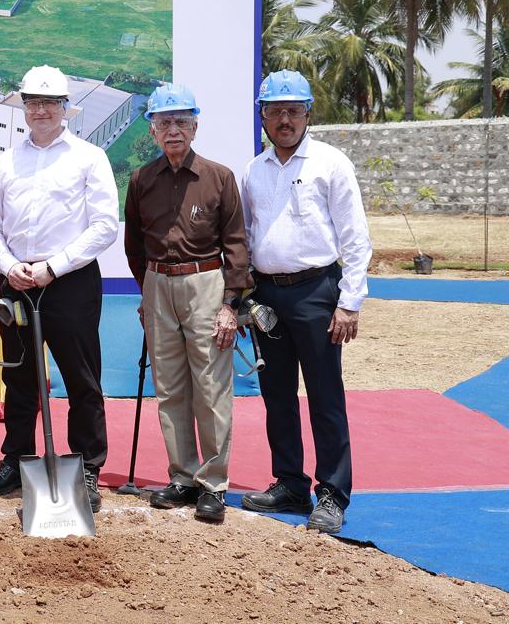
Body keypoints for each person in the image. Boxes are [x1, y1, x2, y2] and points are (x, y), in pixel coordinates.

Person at [0, 65, 118, 512]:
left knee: (81, 377)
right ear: (22, 108)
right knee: (18, 377)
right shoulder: (8, 161)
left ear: (64, 110)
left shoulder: (88, 157)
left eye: (49, 103)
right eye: (32, 103)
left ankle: (86, 467)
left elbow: (103, 227)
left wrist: (52, 268)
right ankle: (16, 459)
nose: (40, 111)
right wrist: (9, 265)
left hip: (69, 282)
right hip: (15, 280)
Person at [239, 70, 372, 534]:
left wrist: (349, 302)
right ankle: (290, 483)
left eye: (293, 110)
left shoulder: (331, 163)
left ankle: (332, 494)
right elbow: (249, 236)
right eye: (275, 111)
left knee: (325, 396)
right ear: (263, 117)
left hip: (318, 292)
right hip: (268, 294)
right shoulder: (254, 171)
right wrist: (244, 297)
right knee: (276, 394)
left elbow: (355, 237)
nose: (284, 120)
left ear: (308, 113)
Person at [122, 83, 250, 523]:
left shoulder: (219, 177)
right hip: (159, 285)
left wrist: (232, 304)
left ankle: (213, 484)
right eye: (163, 123)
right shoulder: (141, 180)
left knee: (211, 388)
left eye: (180, 121)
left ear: (195, 126)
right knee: (170, 387)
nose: (172, 130)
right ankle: (182, 474)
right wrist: (147, 290)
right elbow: (134, 244)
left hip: (207, 284)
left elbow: (235, 243)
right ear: (152, 131)